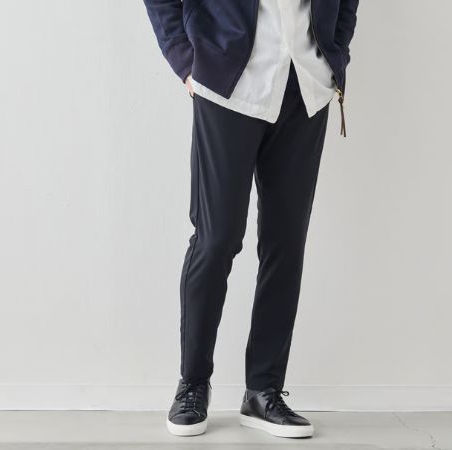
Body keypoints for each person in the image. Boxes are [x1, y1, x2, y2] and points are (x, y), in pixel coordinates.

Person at [143, 0, 359, 438]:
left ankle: (263, 391)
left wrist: (335, 52)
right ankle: (193, 383)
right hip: (227, 80)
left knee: (286, 244)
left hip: (306, 83)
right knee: (216, 238)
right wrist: (183, 57)